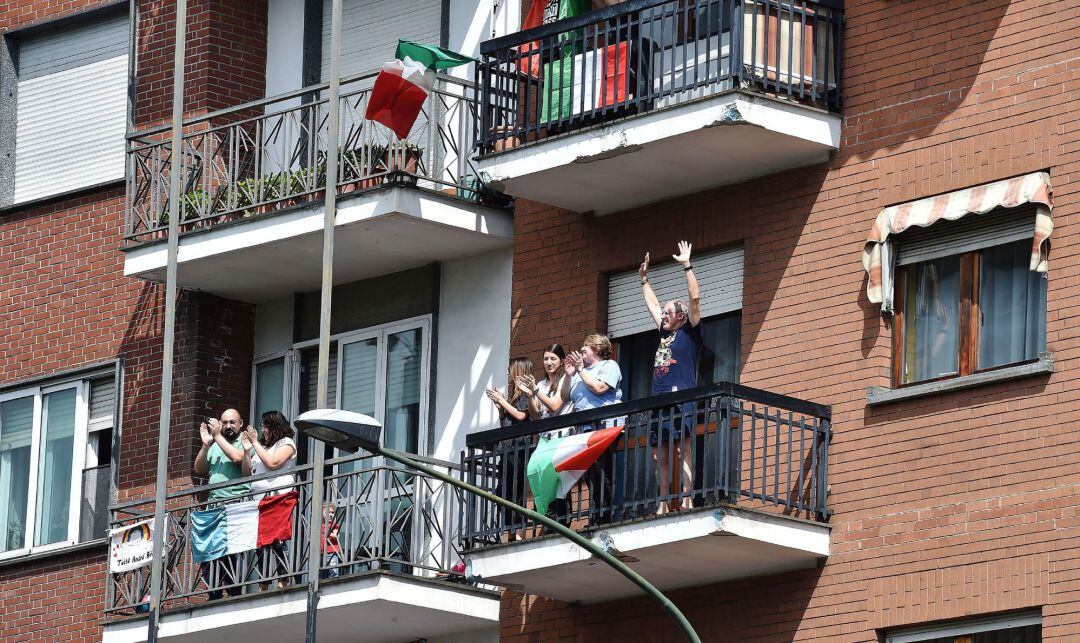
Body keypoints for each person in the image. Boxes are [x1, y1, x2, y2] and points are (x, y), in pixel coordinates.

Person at [639, 240, 703, 515]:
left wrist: (687, 266)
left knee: (682, 449)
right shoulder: (664, 332)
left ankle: (687, 499)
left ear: (681, 317)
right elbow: (653, 305)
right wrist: (644, 281)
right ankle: (663, 503)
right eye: (663, 313)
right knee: (659, 454)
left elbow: (695, 298)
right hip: (659, 401)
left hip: (682, 397)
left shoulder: (690, 331)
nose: (663, 316)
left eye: (668, 313)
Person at [193, 408, 252, 599]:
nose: (228, 426)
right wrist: (205, 445)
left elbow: (238, 458)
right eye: (224, 422)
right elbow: (199, 469)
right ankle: (214, 591)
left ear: (240, 423)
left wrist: (217, 436)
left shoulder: (244, 441)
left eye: (232, 422)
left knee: (234, 550)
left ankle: (235, 591)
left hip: (236, 504)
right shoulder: (215, 443)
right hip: (214, 504)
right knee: (212, 549)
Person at [565, 334, 623, 524]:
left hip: (604, 427)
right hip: (585, 429)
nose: (581, 352)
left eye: (585, 349)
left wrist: (581, 370)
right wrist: (568, 374)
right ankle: (595, 513)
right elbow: (565, 397)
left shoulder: (609, 366)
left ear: (597, 350)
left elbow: (599, 388)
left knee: (602, 470)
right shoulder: (579, 373)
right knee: (591, 473)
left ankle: (604, 514)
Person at [516, 344, 574, 524]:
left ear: (562, 360)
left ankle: (562, 518)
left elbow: (555, 406)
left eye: (553, 358)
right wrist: (529, 396)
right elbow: (535, 416)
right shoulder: (541, 384)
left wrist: (535, 391)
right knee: (540, 475)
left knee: (559, 479)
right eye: (546, 358)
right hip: (545, 438)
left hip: (562, 436)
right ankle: (548, 517)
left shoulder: (566, 380)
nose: (548, 362)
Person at [242, 410, 297, 591]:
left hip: (278, 497)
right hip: (259, 500)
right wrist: (247, 450)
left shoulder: (286, 443)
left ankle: (283, 578)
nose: (263, 430)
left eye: (266, 426)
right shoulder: (261, 448)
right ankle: (263, 581)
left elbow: (273, 464)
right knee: (261, 542)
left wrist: (256, 443)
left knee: (278, 538)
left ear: (275, 426)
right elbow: (247, 472)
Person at [485, 357, 536, 540]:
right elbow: (506, 422)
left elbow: (522, 416)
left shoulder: (525, 393)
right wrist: (500, 407)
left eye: (511, 369)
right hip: (506, 447)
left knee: (517, 490)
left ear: (519, 371)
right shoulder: (514, 395)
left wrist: (502, 400)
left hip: (519, 447)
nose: (508, 372)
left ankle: (519, 532)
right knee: (504, 491)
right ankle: (510, 532)